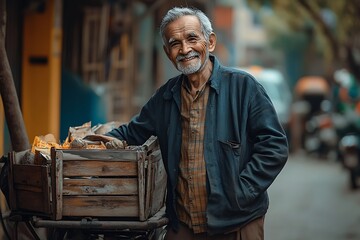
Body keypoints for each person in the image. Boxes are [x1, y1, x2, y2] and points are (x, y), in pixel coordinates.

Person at [106, 6, 288, 240]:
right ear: (167, 52)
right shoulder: (166, 97)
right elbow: (131, 133)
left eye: (192, 38)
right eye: (175, 43)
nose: (185, 49)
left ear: (210, 42)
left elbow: (274, 146)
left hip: (238, 221)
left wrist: (242, 191)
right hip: (184, 223)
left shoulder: (244, 87)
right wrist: (88, 142)